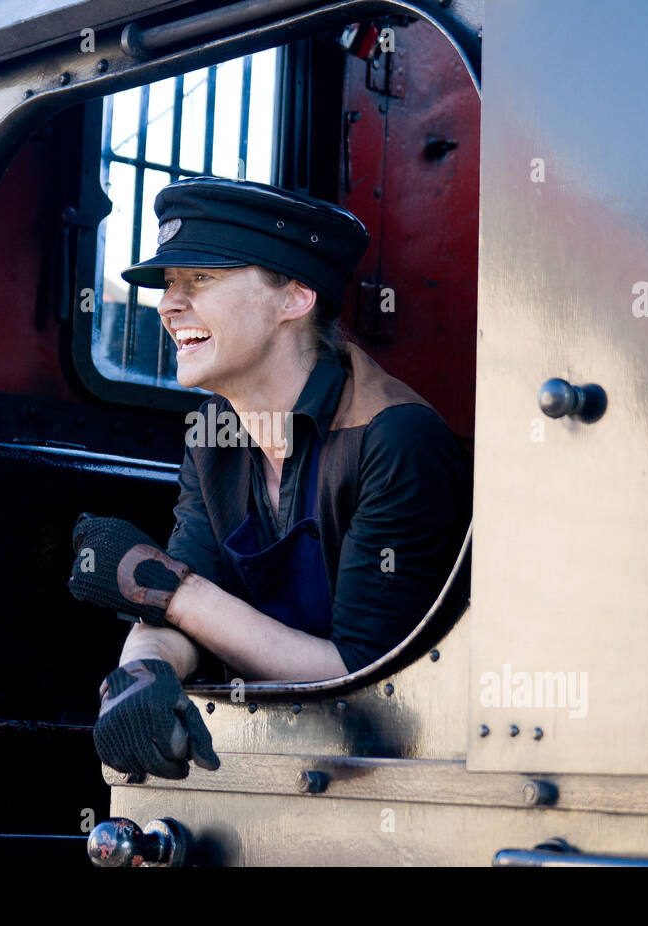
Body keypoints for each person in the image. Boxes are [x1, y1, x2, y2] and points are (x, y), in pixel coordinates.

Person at [68, 176, 471, 779]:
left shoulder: (394, 438)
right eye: (169, 285)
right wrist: (143, 672)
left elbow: (361, 675)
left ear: (294, 298)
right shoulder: (213, 435)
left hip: (399, 769)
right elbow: (176, 606)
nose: (168, 305)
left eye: (199, 279)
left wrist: (171, 591)